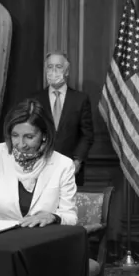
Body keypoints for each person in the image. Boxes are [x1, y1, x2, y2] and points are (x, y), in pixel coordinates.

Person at [0, 99, 78, 228]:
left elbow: (70, 216)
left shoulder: (63, 165)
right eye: (15, 135)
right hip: (2, 239)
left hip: (43, 240)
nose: (21, 144)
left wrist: (53, 217)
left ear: (44, 135)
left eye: (29, 137)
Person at [30, 51, 94, 186]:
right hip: (40, 167)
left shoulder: (80, 99)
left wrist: (77, 160)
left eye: (58, 67)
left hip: (70, 168)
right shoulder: (35, 100)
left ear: (67, 70)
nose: (54, 71)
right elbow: (31, 132)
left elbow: (87, 135)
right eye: (50, 66)